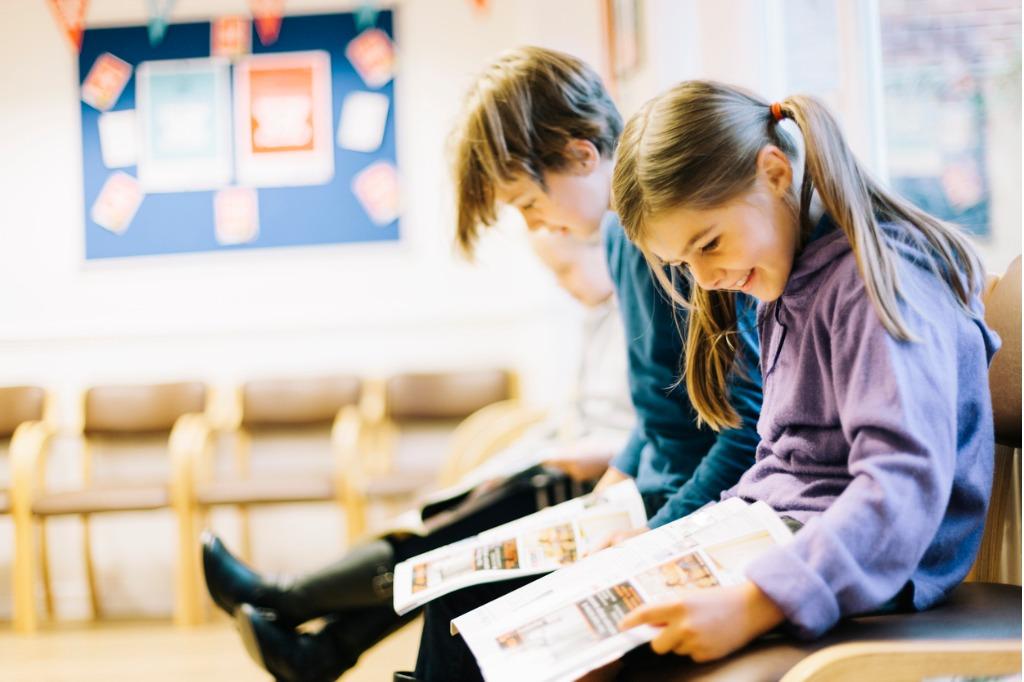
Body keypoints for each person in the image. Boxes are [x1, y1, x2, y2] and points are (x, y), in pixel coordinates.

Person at [607, 81, 999, 662]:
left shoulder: (874, 286)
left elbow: (900, 485)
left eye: (709, 244)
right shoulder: (787, 281)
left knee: (612, 650)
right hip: (783, 535)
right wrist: (671, 542)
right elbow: (784, 465)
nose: (706, 277)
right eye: (683, 264)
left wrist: (754, 603)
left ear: (774, 172)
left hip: (853, 565)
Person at [409, 48, 764, 681]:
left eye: (524, 202)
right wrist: (618, 479)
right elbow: (663, 409)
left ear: (580, 155)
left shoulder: (680, 247)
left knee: (463, 615)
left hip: (687, 510)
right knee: (455, 594)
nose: (533, 223)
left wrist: (656, 530)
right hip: (653, 503)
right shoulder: (621, 239)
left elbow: (741, 427)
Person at [201, 229, 636, 682]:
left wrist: (590, 453)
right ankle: (314, 638)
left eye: (565, 269)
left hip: (596, 485)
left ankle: (300, 617)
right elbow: (567, 420)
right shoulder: (599, 317)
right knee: (444, 516)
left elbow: (647, 429)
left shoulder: (636, 315)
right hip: (565, 473)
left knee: (450, 544)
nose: (562, 284)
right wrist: (494, 470)